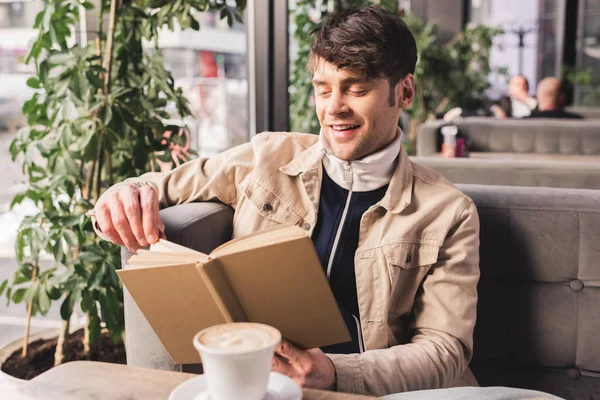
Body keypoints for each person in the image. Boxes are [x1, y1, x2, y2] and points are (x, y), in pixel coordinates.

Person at [90, 6, 480, 397]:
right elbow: (156, 184)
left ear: (405, 91)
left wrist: (335, 371)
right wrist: (122, 195)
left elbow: (445, 350)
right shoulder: (267, 156)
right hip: (263, 387)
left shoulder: (448, 212)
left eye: (356, 88)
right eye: (322, 89)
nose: (333, 108)